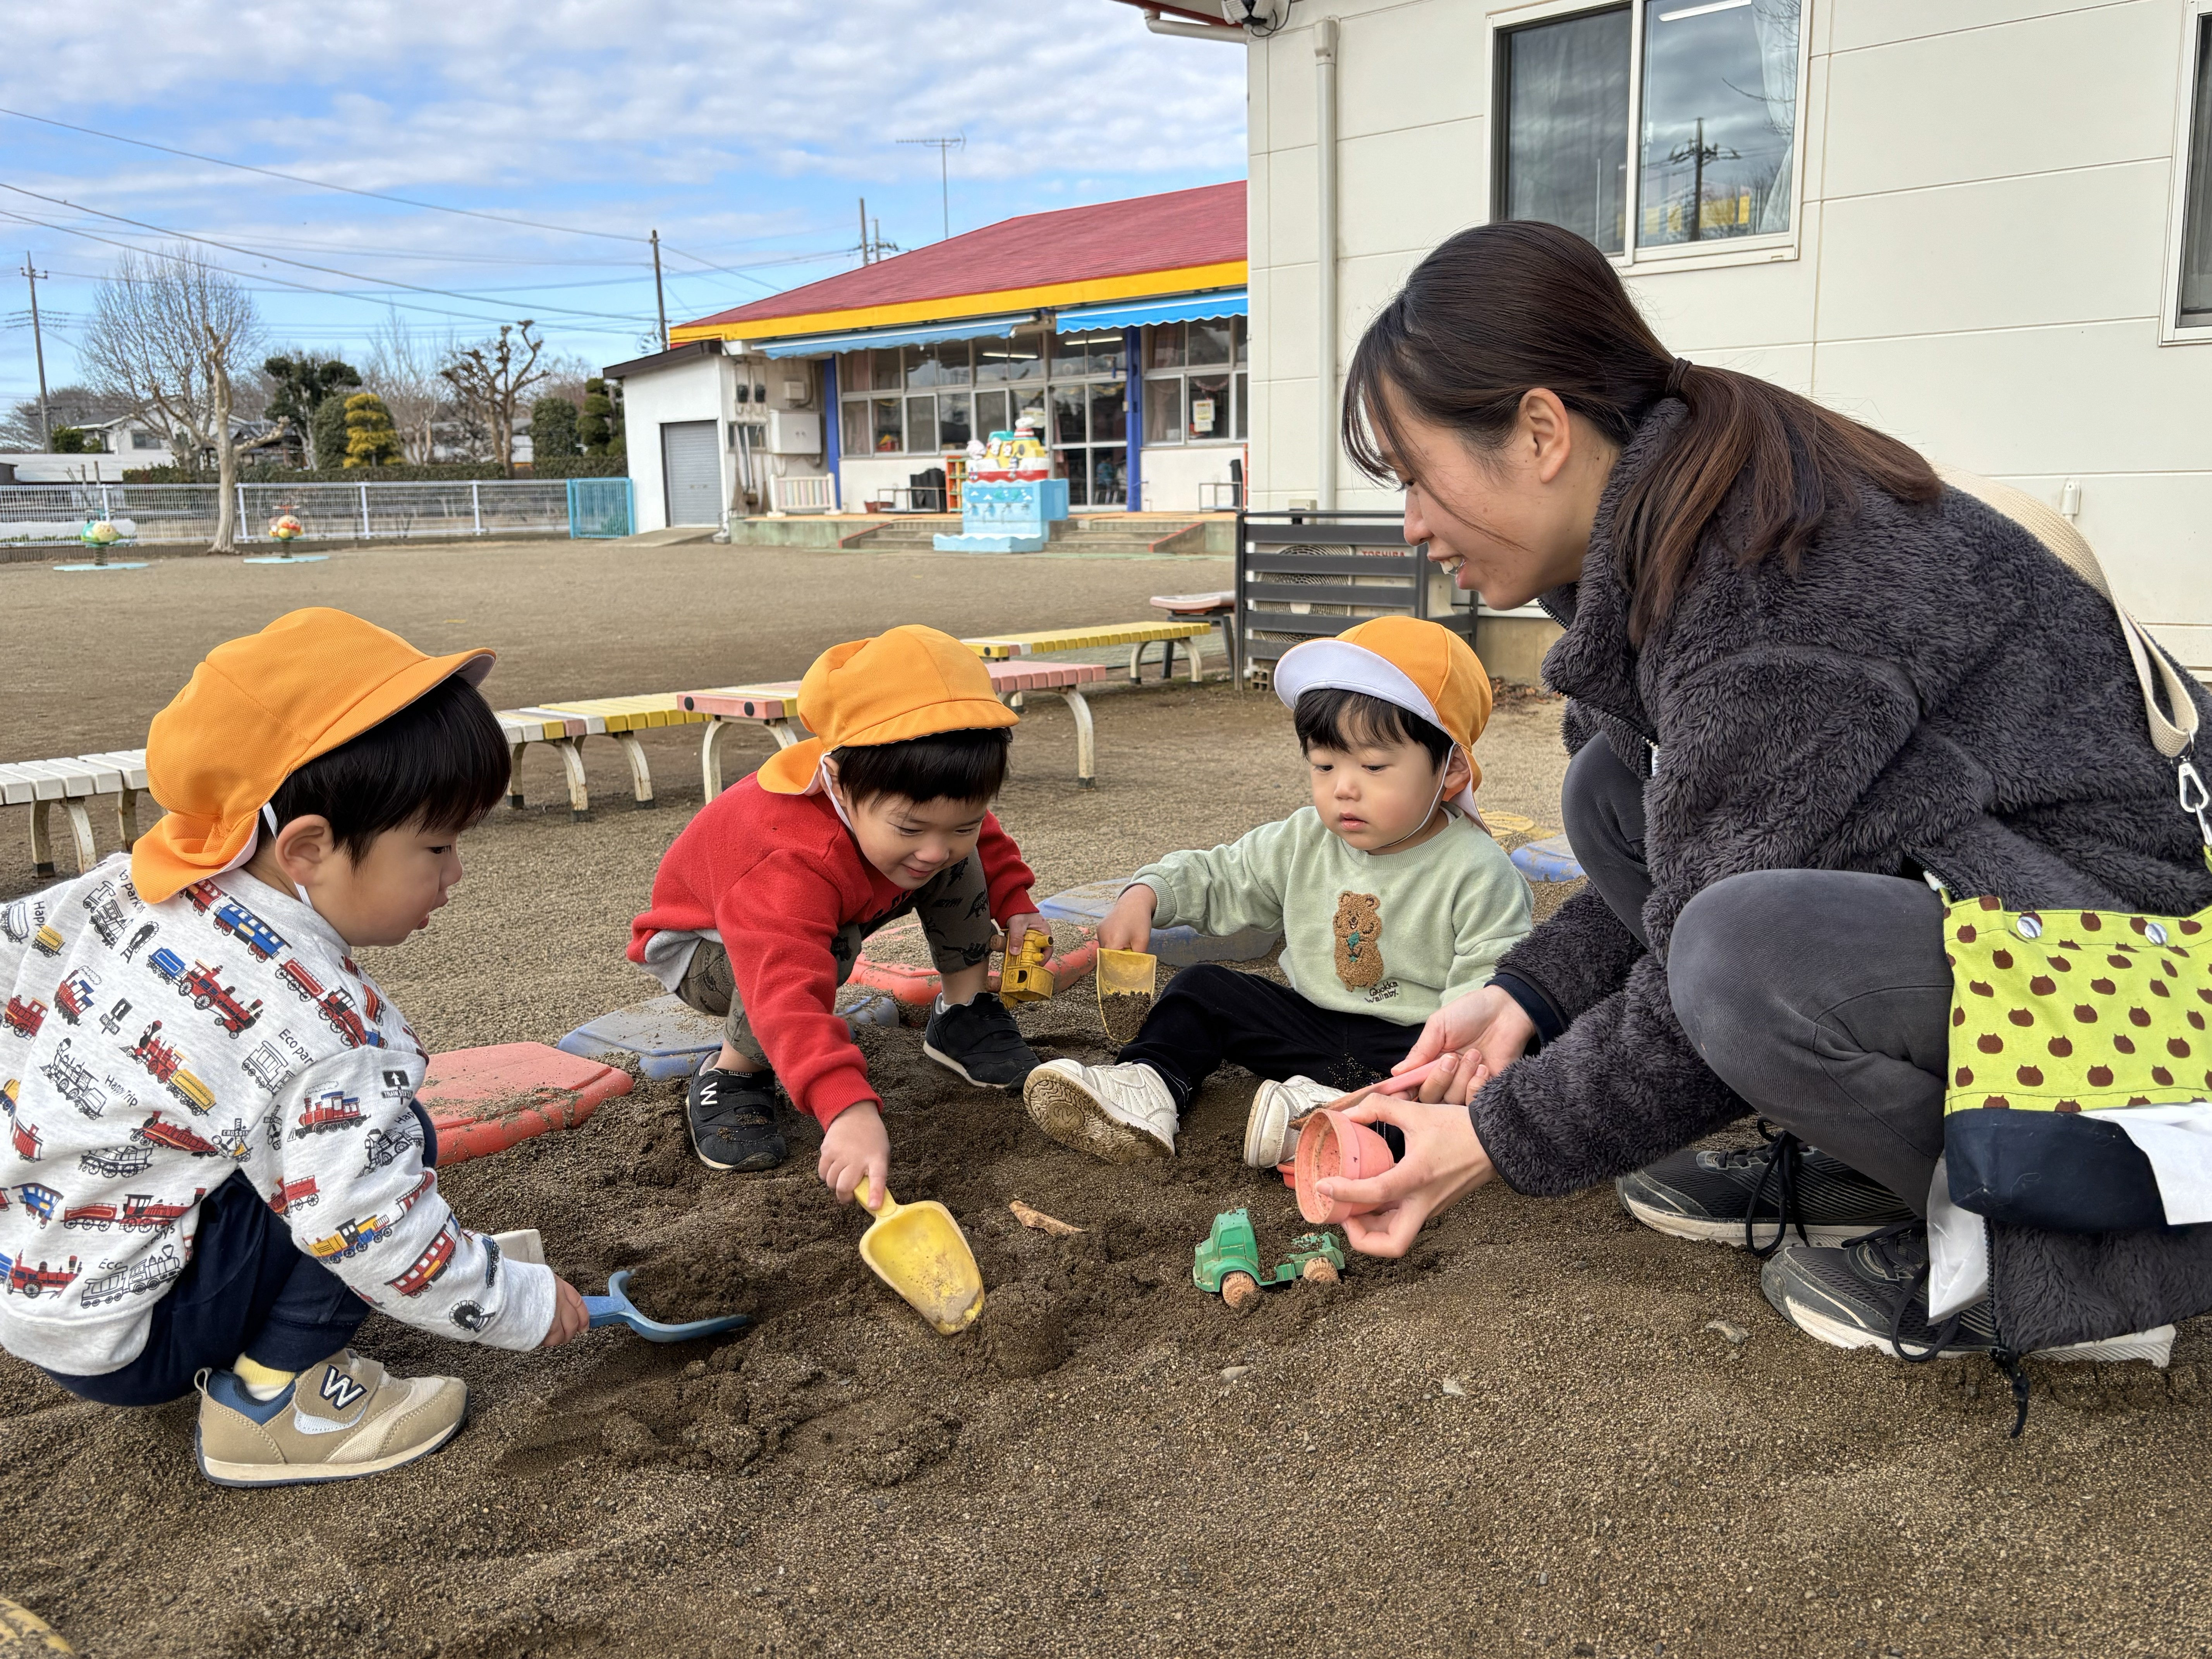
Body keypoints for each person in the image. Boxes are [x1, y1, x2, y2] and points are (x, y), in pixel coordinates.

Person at [1307, 221, 2212, 1379]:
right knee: (1608, 791)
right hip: (2027, 909)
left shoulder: (1760, 584)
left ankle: (2084, 1248)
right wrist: (1526, 993)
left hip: (2148, 990)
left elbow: (1703, 958)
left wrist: (1488, 1136)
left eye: (1417, 476)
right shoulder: (1678, 515)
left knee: (1740, 958)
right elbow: (1694, 842)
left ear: (1539, 431)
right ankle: (1877, 1165)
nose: (1412, 526)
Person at [0, 608, 590, 1487]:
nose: (454, 873)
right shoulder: (319, 1031)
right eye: (436, 845)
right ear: (309, 846)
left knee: (307, 1147)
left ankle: (403, 1279)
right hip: (142, 1341)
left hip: (44, 1284)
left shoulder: (122, 889)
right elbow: (361, 1220)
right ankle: (275, 1403)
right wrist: (518, 1304)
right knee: (385, 1144)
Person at [1022, 617, 1531, 1164]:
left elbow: (1487, 989)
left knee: (1484, 1081)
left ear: (1451, 770)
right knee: (1201, 989)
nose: (1344, 788)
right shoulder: (1303, 840)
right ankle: (1149, 1087)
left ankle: (1348, 1127)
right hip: (1312, 1028)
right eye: (1325, 764)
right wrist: (1147, 894)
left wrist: (1444, 1066)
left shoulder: (1478, 870)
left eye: (1375, 766)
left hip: (1411, 1048)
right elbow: (1225, 875)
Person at [631, 625, 1047, 1202]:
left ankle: (965, 1011)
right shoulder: (791, 858)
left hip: (823, 919)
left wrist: (1016, 904)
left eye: (963, 820)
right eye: (909, 827)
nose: (934, 845)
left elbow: (970, 834)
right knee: (822, 954)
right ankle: (731, 1074)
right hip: (707, 951)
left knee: (954, 860)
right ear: (839, 784)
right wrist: (846, 1107)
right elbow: (783, 983)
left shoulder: (924, 821)